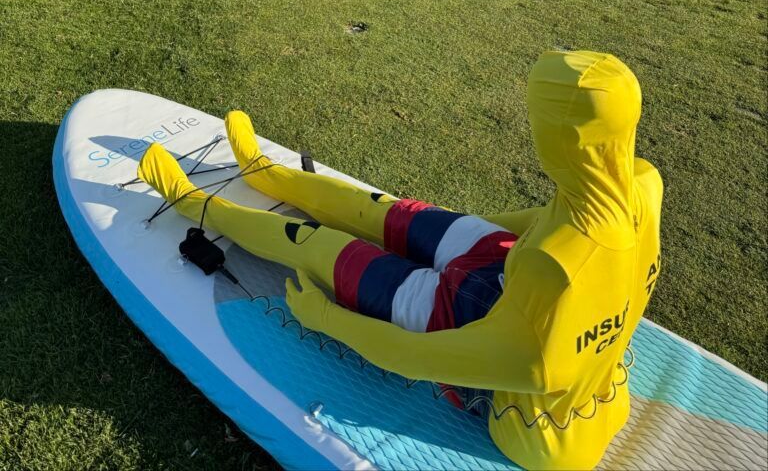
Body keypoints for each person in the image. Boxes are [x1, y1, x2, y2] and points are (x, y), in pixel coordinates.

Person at [138, 50, 663, 471]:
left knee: (321, 246)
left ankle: (195, 203)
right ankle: (261, 171)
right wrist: (447, 229)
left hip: (518, 388)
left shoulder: (557, 280)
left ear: (564, 139)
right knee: (386, 212)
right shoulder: (638, 183)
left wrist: (325, 318)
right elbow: (543, 219)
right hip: (510, 276)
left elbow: (414, 357)